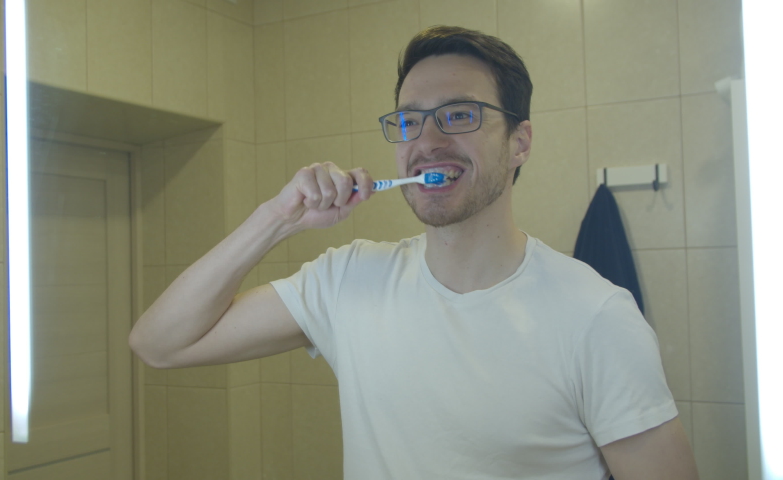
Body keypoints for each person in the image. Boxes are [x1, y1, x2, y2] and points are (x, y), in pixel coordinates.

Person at [129, 25, 699, 480]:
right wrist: (277, 219)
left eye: (459, 114)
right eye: (409, 120)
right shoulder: (346, 280)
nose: (426, 141)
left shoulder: (596, 317)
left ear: (519, 142)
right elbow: (158, 343)